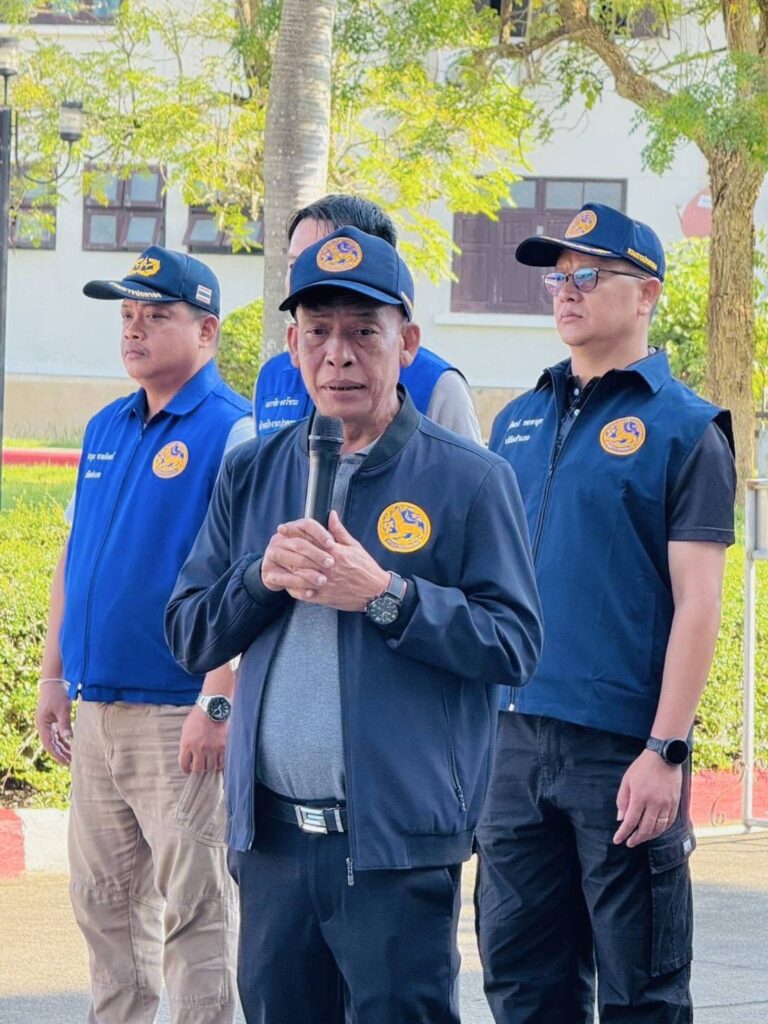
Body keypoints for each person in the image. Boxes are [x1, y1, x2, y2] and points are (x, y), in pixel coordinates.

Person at [165, 225, 543, 1024]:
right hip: (271, 845)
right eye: (319, 332)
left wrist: (387, 595)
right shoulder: (252, 470)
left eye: (364, 332)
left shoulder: (470, 479)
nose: (338, 355)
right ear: (293, 347)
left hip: (396, 849)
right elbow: (190, 632)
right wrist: (261, 578)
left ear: (407, 343)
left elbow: (514, 644)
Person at [476, 203, 736, 1022]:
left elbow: (699, 602)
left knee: (641, 994)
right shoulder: (516, 421)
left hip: (622, 752)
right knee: (523, 986)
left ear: (647, 293)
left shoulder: (687, 430)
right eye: (558, 277)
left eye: (588, 274)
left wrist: (666, 748)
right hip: (513, 747)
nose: (567, 291)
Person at [35, 246, 252, 1024]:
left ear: (207, 332)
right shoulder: (106, 426)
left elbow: (248, 580)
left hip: (178, 714)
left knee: (198, 914)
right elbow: (74, 557)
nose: (134, 329)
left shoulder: (235, 431)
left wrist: (217, 701)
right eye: (128, 315)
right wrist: (53, 675)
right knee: (104, 906)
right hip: (99, 710)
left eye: (156, 315)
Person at [255, 192, 482, 442]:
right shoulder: (273, 378)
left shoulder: (437, 386)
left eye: (327, 259)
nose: (305, 276)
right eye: (295, 265)